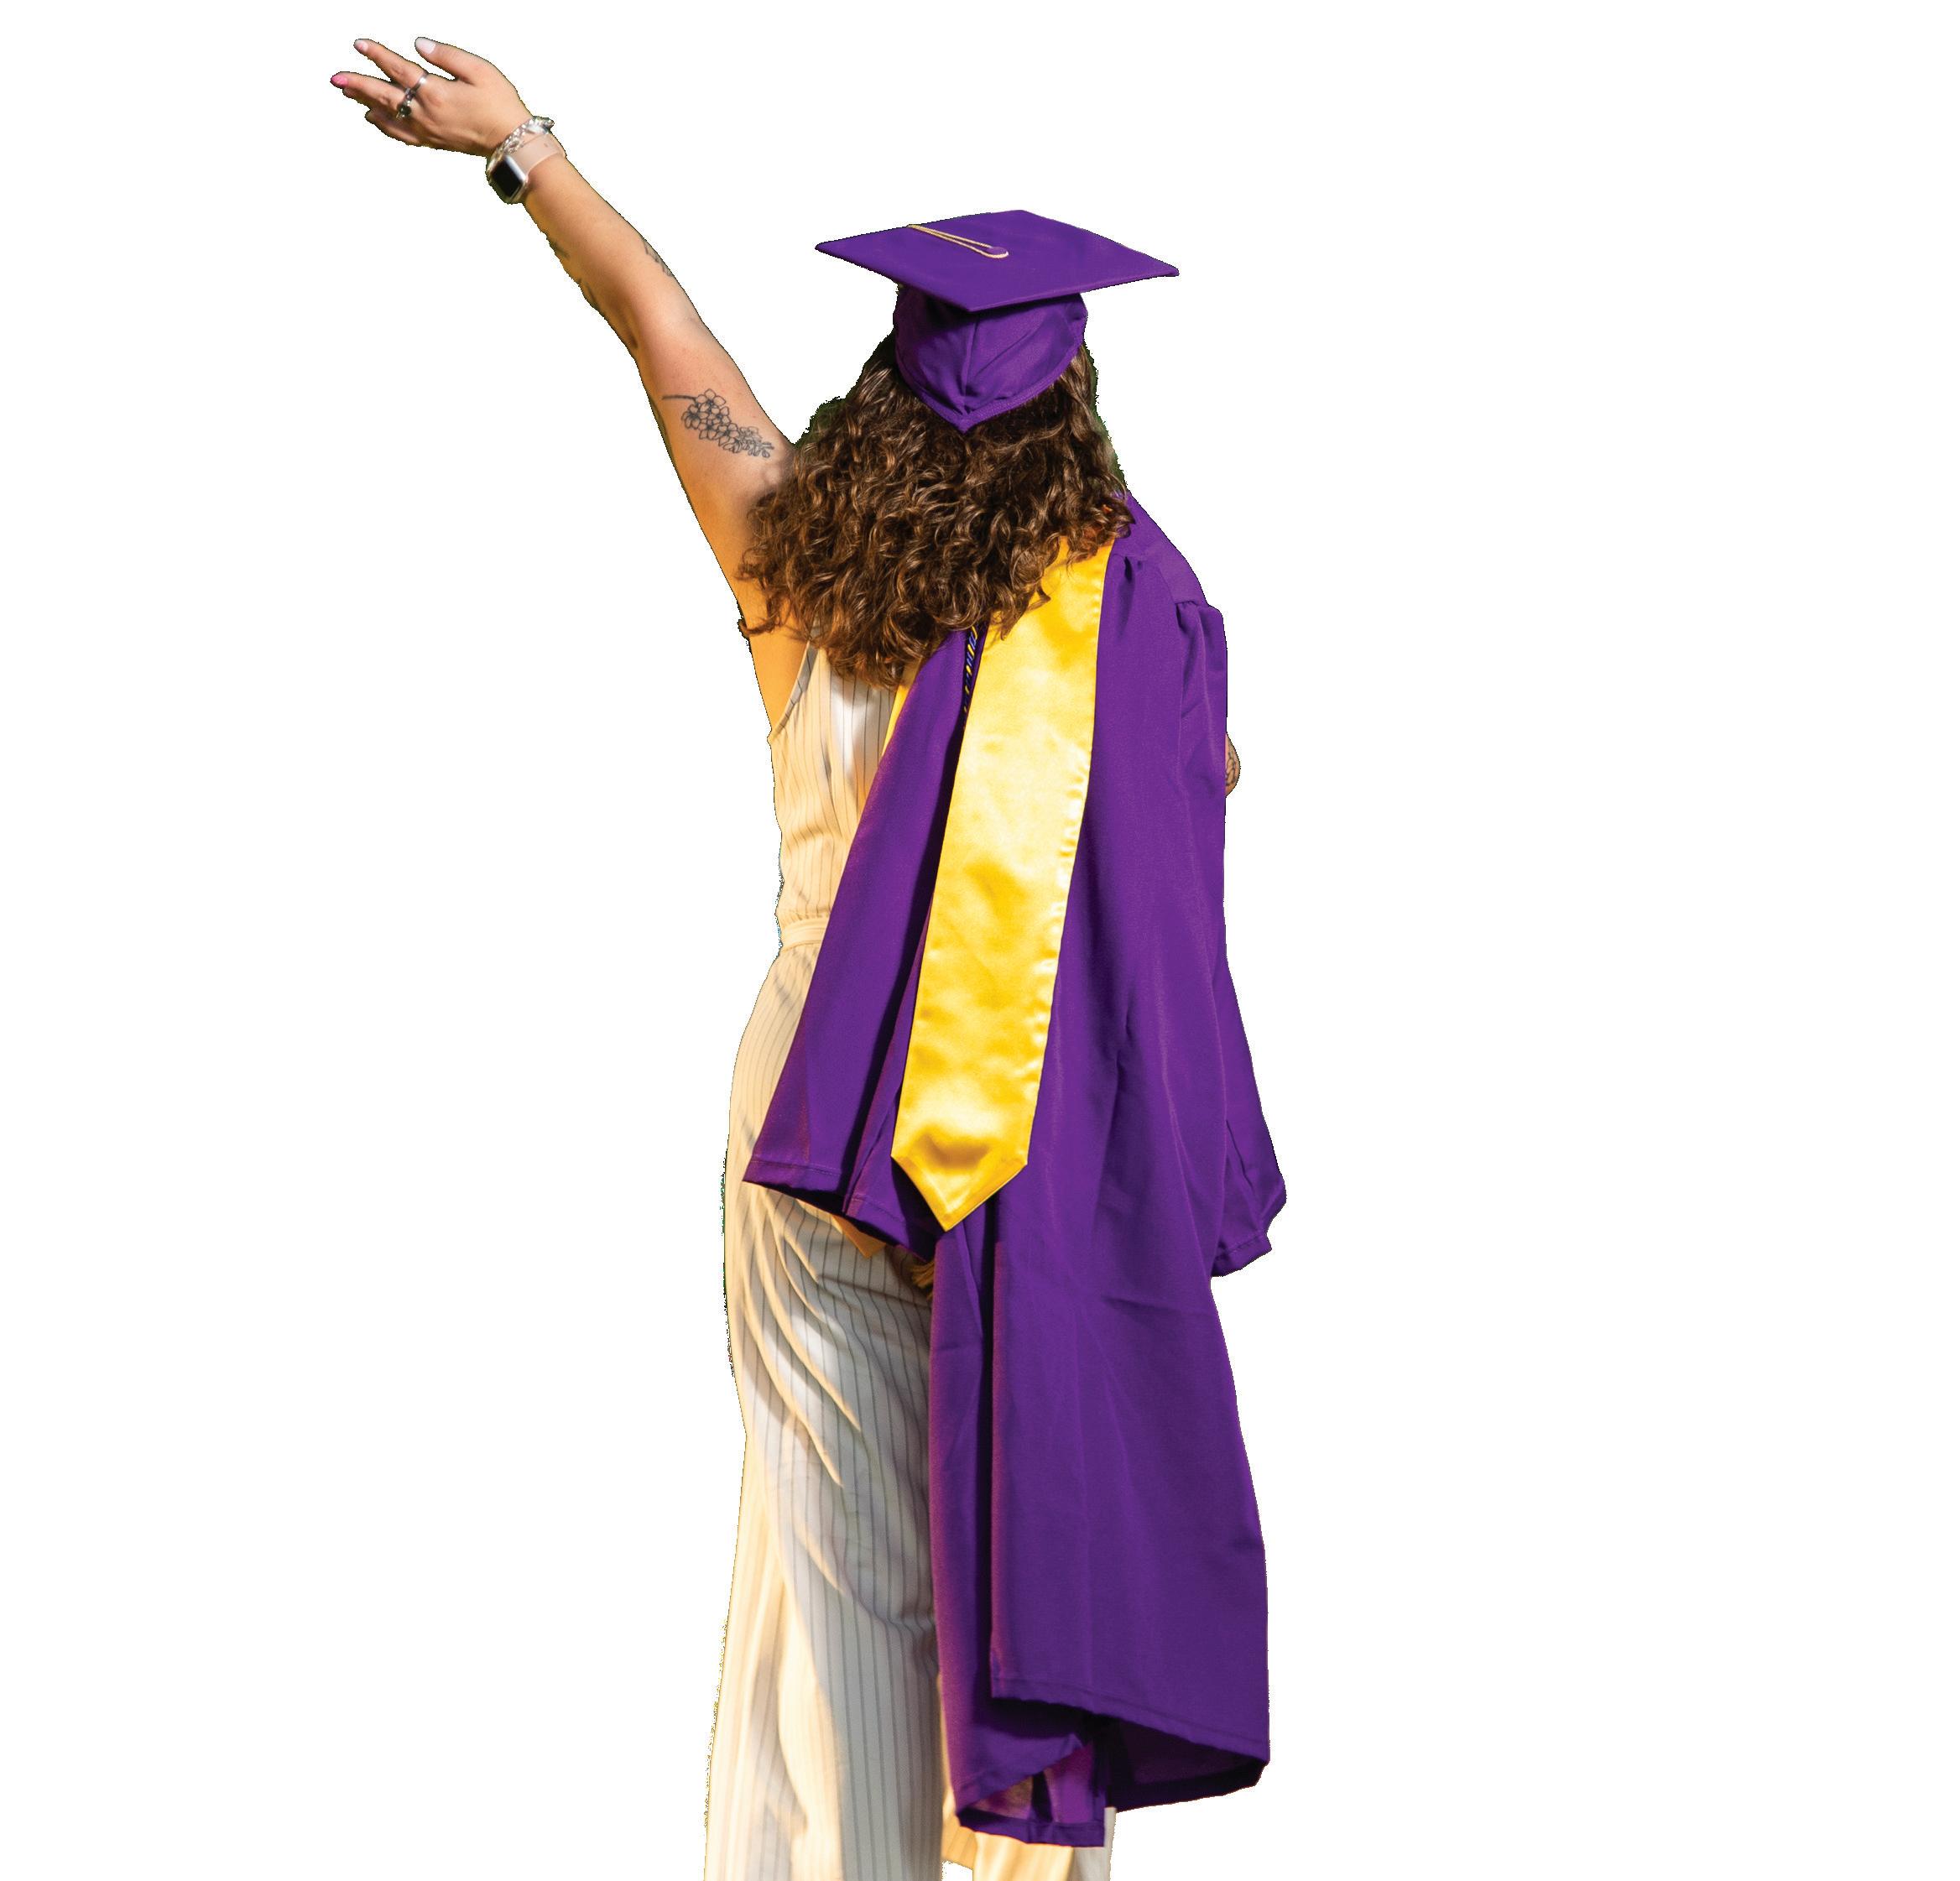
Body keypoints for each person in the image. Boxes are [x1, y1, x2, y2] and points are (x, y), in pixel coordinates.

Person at [331, 39, 1277, 1881]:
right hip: (1040, 1161)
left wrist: (524, 149)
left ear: (883, 399)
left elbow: (659, 330)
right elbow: (1207, 793)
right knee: (1039, 1563)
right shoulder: (1134, 625)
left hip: (817, 1131)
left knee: (847, 1596)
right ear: (1078, 420)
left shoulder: (793, 556)